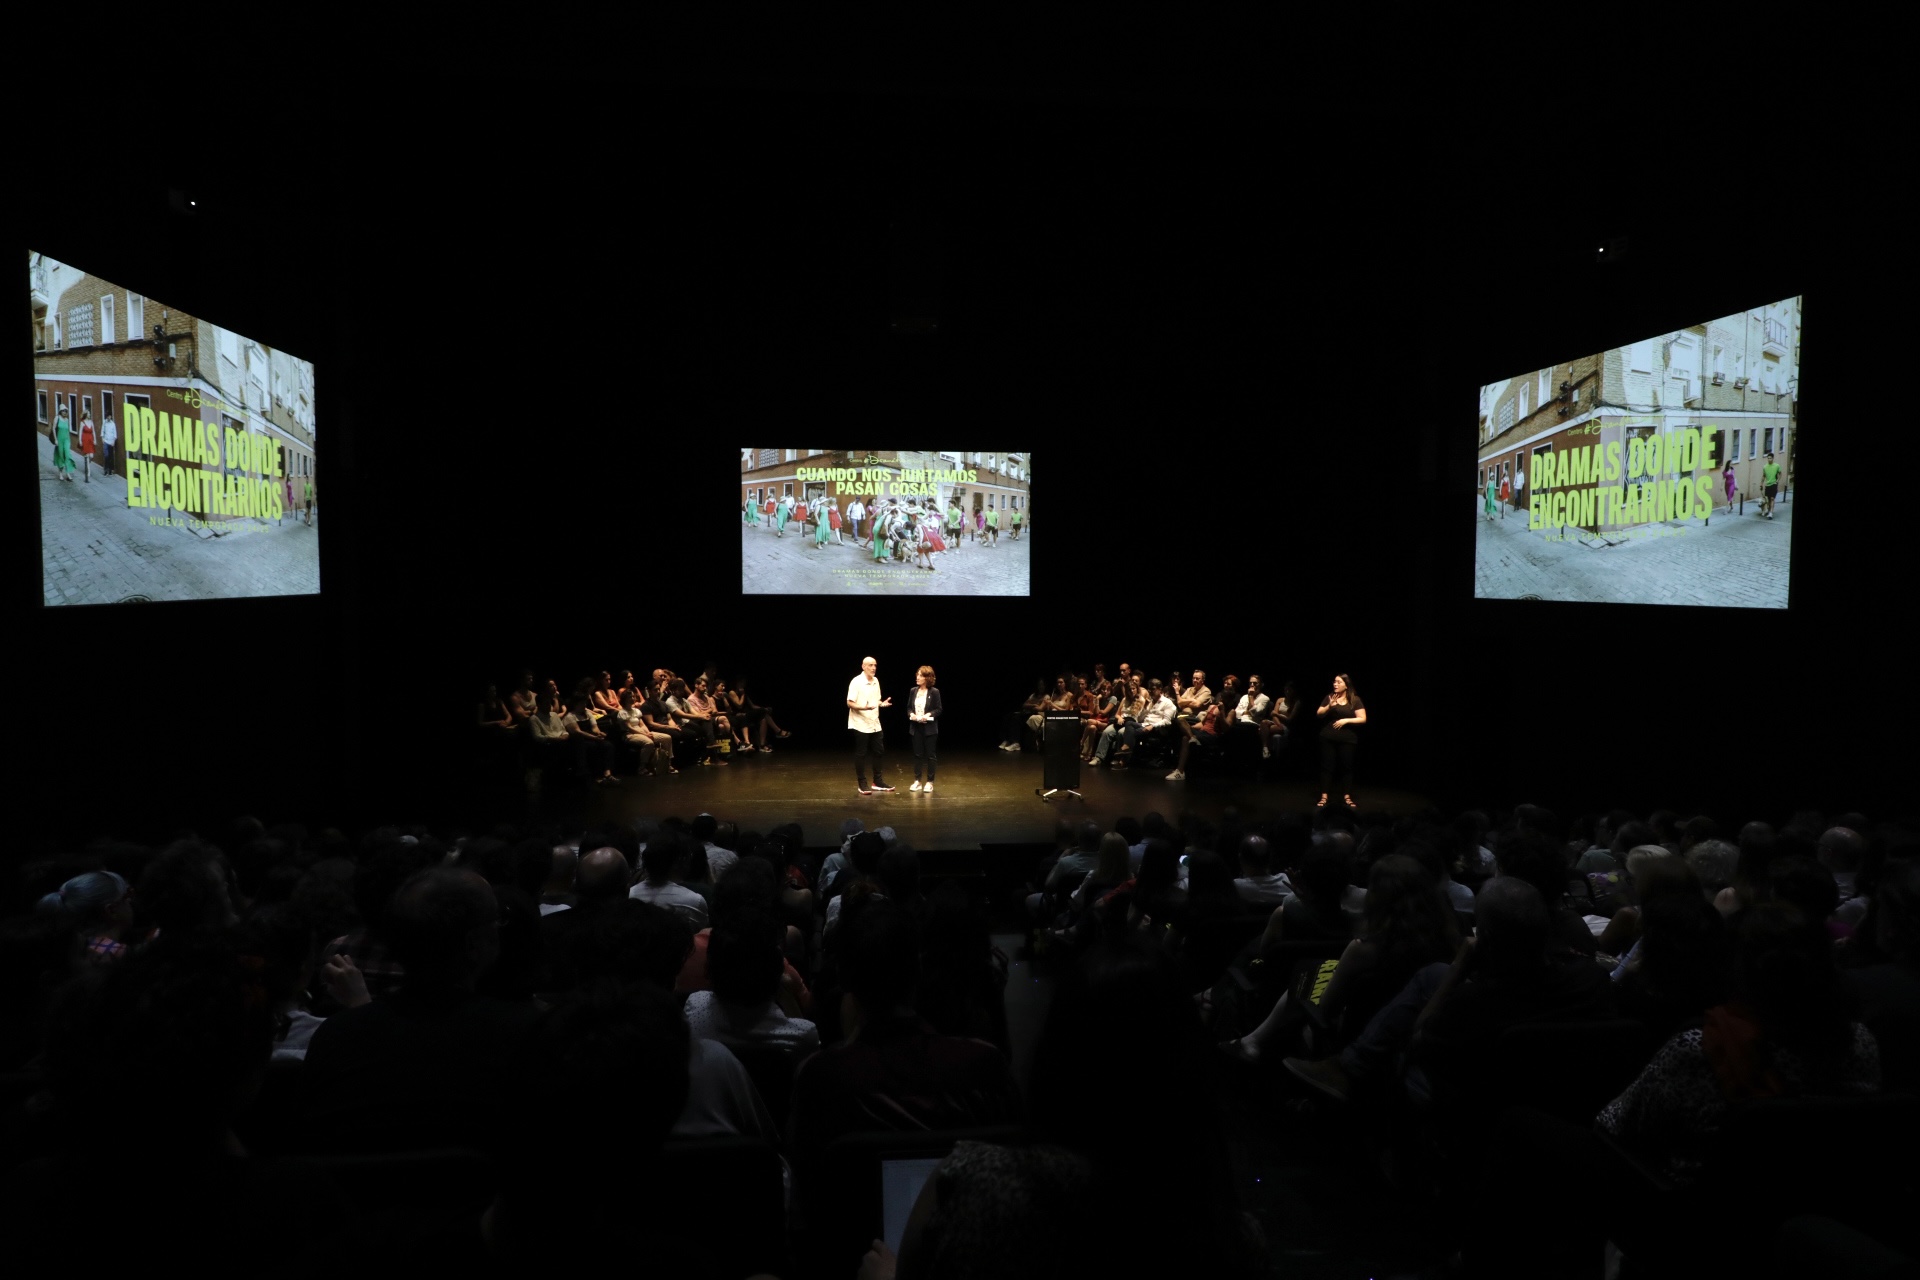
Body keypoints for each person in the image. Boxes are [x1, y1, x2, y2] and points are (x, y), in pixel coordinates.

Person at [1316, 673, 1366, 810]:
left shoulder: (1355, 700)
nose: (1335, 684)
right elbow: (1319, 713)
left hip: (1348, 739)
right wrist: (1329, 707)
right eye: (1334, 682)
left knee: (1347, 767)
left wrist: (1346, 720)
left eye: (1338, 682)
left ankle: (1347, 796)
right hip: (1328, 737)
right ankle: (1324, 796)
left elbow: (1362, 718)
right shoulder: (1330, 697)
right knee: (1327, 766)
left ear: (1346, 685)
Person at [848, 655, 894, 795]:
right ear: (863, 666)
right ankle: (862, 783)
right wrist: (864, 708)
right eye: (870, 665)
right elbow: (849, 702)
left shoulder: (876, 681)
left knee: (879, 751)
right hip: (860, 722)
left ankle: (877, 781)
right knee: (861, 753)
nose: (873, 668)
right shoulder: (856, 682)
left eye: (875, 665)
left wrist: (882, 704)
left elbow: (876, 701)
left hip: (874, 722)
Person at [908, 664, 943, 793]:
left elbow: (939, 709)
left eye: (921, 675)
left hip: (929, 728)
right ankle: (917, 781)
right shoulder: (913, 690)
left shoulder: (934, 692)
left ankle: (929, 782)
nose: (917, 677)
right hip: (916, 727)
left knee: (930, 755)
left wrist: (928, 714)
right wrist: (911, 714)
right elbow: (909, 708)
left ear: (927, 678)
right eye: (917, 674)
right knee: (917, 755)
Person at [51, 403, 75, 481]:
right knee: (61, 456)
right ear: (60, 411)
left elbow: (68, 431)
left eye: (66, 410)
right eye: (63, 410)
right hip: (59, 439)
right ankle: (61, 473)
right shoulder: (57, 418)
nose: (65, 412)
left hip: (66, 440)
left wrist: (69, 441)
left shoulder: (67, 420)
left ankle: (68, 474)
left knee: (67, 455)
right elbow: (54, 428)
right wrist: (55, 439)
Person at [1761, 451, 1781, 519]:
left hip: (1774, 484)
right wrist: (1761, 483)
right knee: (1767, 500)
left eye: (1770, 458)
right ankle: (1769, 510)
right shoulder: (1765, 467)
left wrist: (1777, 481)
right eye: (1768, 458)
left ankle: (1771, 513)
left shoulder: (1776, 466)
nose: (1769, 459)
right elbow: (1763, 476)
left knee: (1772, 498)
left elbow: (1780, 473)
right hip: (1767, 485)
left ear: (1773, 458)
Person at [77, 410, 95, 482]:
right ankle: (88, 471)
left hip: (90, 440)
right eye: (88, 414)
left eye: (90, 413)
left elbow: (93, 432)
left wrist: (95, 439)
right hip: (85, 440)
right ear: (86, 415)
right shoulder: (82, 422)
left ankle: (88, 464)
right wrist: (80, 441)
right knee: (87, 456)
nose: (90, 414)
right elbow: (80, 432)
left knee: (91, 456)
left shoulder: (91, 422)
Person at [99, 410, 117, 476]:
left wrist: (114, 442)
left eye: (109, 416)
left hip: (111, 442)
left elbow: (115, 434)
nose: (108, 418)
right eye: (107, 416)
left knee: (110, 457)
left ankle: (110, 470)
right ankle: (105, 470)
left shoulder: (113, 424)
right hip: (106, 441)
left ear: (111, 417)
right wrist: (102, 439)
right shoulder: (104, 423)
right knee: (106, 456)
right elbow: (102, 431)